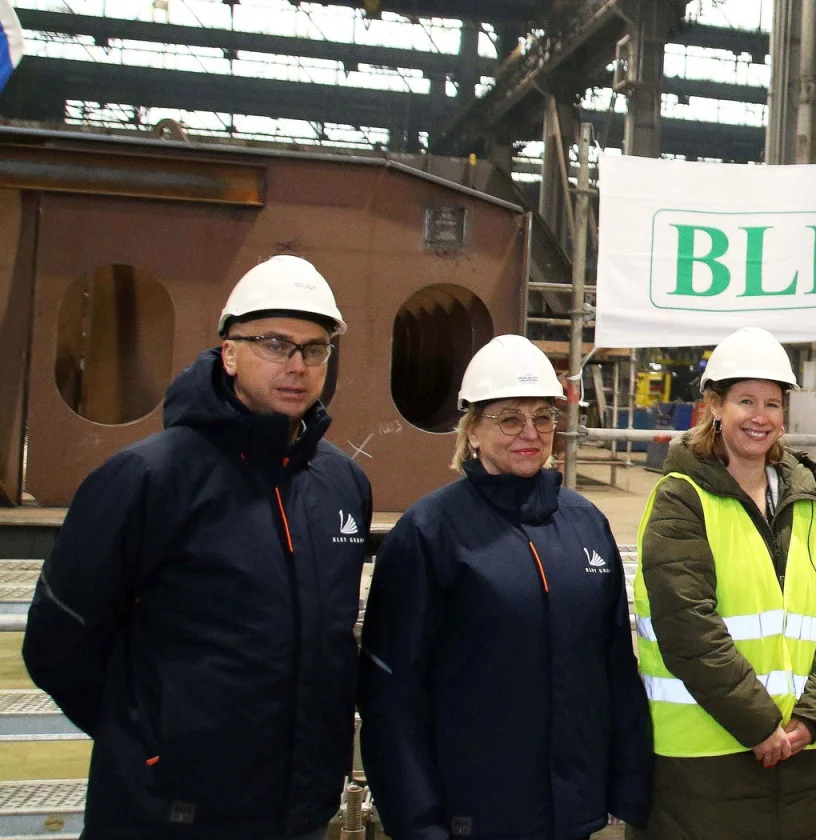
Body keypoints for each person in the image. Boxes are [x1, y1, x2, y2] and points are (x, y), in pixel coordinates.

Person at [24, 255, 372, 839]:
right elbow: (58, 644)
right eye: (274, 343)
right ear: (229, 353)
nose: (297, 365)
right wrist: (153, 744)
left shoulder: (341, 484)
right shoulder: (147, 479)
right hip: (167, 814)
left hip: (298, 812)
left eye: (314, 349)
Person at [358, 334, 653, 840]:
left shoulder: (585, 524)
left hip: (571, 811)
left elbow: (613, 669)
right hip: (472, 814)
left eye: (543, 417)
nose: (531, 433)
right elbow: (393, 696)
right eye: (509, 418)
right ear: (472, 430)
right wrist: (419, 822)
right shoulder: (430, 533)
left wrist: (625, 785)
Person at [632, 327, 816, 840]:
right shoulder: (681, 499)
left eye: (773, 404)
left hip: (799, 752)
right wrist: (761, 727)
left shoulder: (808, 504)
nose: (761, 418)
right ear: (714, 404)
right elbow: (688, 626)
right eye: (746, 401)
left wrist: (815, 719)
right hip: (706, 756)